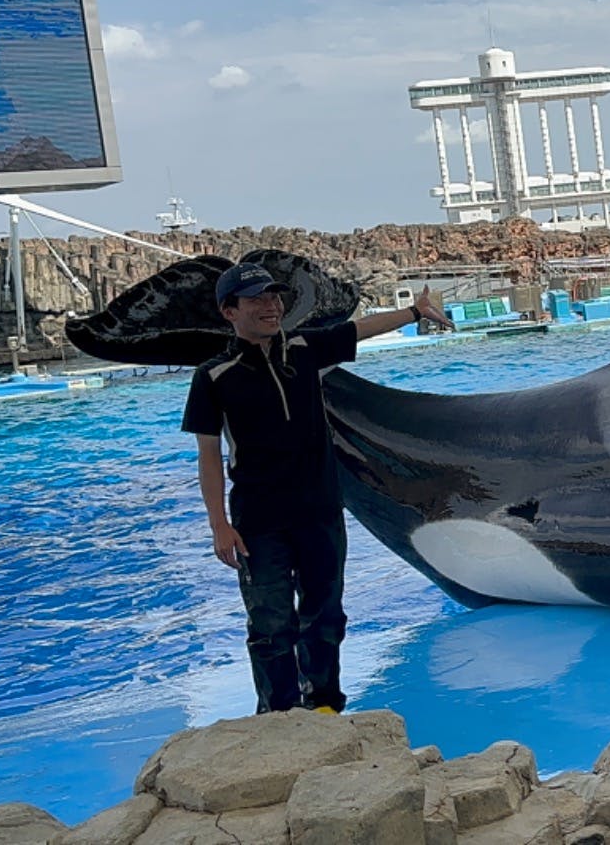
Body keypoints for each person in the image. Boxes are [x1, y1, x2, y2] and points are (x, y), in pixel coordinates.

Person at [181, 261, 452, 715]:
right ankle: (279, 715)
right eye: (256, 300)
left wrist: (414, 313)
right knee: (271, 623)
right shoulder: (213, 376)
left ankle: (325, 706)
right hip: (259, 518)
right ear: (229, 311)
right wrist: (218, 525)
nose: (271, 306)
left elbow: (358, 329)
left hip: (320, 509)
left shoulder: (304, 349)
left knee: (325, 615)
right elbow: (208, 454)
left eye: (274, 297)